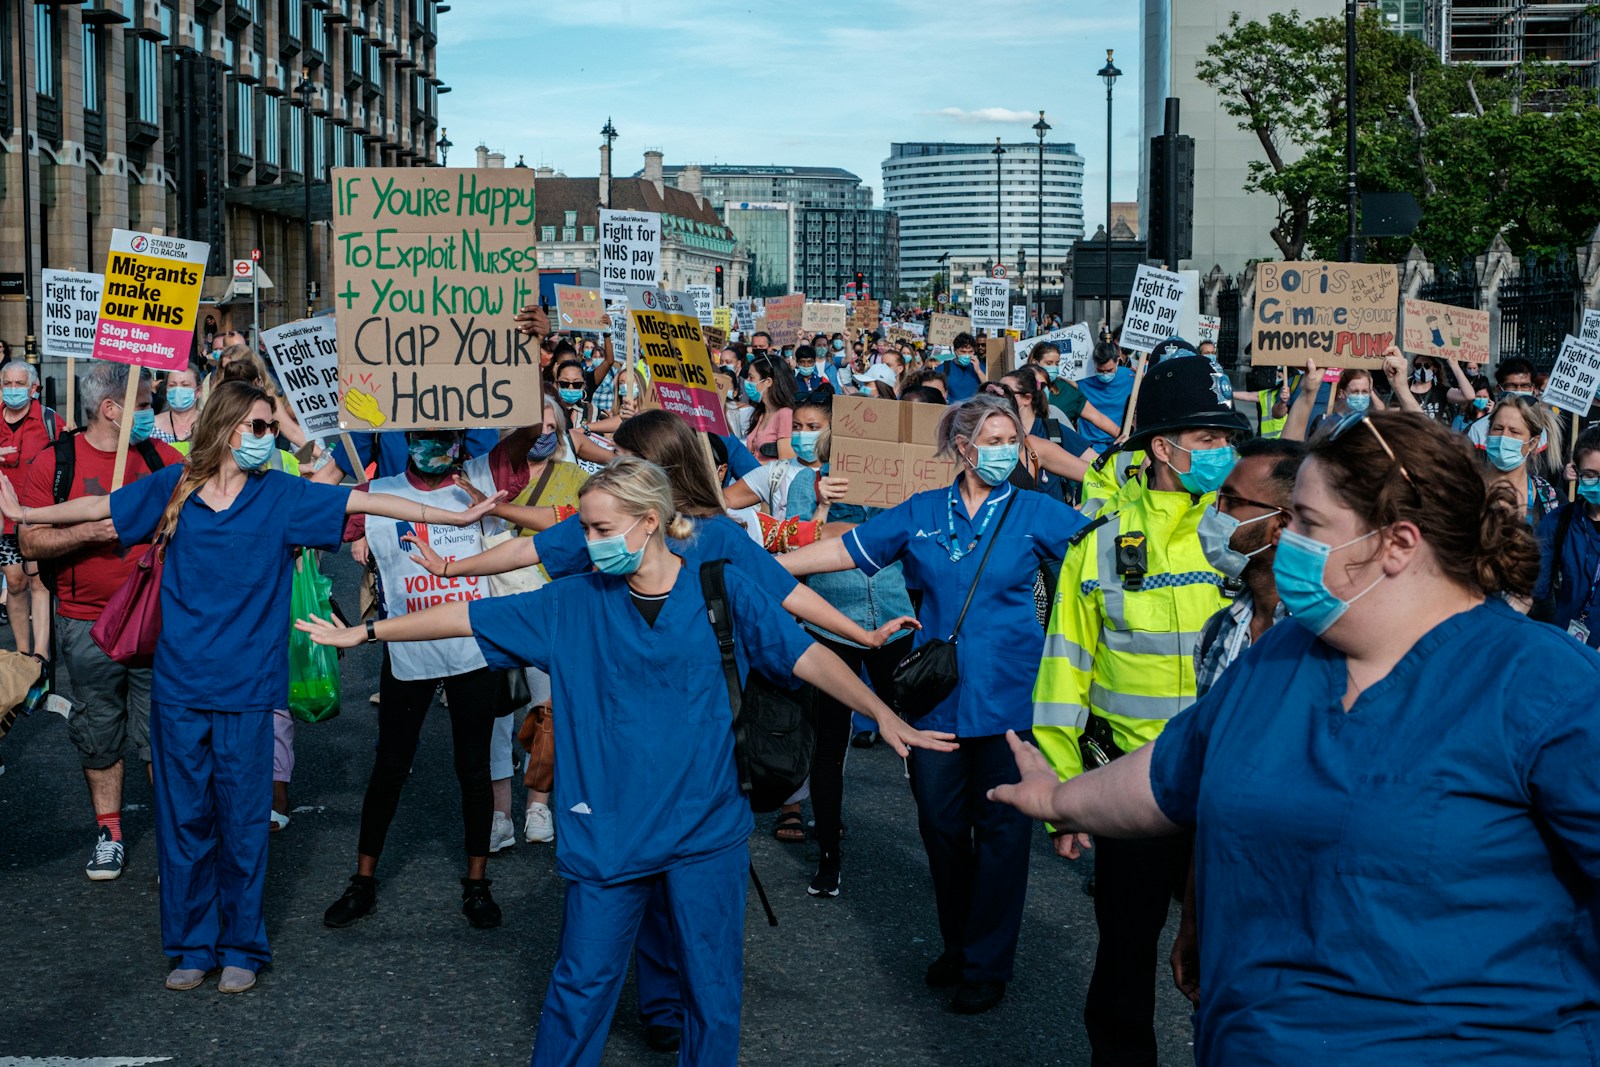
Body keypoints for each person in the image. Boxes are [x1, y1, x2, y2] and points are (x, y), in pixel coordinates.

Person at [297, 456, 954, 1067]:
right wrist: (369, 629)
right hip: (608, 833)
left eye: (600, 526)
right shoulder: (572, 602)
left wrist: (883, 711)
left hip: (706, 831)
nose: (588, 540)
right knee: (580, 989)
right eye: (585, 526)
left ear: (648, 521)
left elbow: (806, 656)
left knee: (713, 994)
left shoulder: (722, 589)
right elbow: (468, 616)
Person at [991, 410, 1600, 1065]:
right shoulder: (1280, 656)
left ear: (1397, 542)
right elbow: (1170, 773)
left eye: (1308, 524)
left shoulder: (1543, 684)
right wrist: (1059, 798)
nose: (1287, 540)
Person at [0, 381, 506, 994]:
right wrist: (26, 514)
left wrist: (451, 513)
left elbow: (366, 505)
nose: (269, 439)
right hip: (180, 689)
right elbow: (101, 510)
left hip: (247, 690)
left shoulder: (282, 495)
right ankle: (190, 945)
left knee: (243, 824)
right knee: (183, 821)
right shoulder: (176, 486)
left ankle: (241, 945)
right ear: (227, 426)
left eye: (272, 428)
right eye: (262, 427)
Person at [779, 394, 1092, 1015]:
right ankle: (959, 942)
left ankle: (987, 962)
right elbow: (846, 551)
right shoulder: (921, 512)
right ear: (964, 447)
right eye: (995, 438)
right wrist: (765, 565)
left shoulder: (1035, 511)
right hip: (935, 704)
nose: (1008, 449)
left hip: (1011, 704)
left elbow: (1103, 548)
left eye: (1014, 438)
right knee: (942, 829)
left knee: (1002, 835)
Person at [1030, 355, 1250, 1064]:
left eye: (1227, 441)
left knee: (1238, 961)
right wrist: (1067, 798)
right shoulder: (1097, 547)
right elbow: (1065, 671)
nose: (1222, 454)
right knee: (1124, 961)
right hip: (1136, 788)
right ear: (1163, 446)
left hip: (1235, 789)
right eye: (1207, 438)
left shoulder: (1248, 539)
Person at [322, 420, 539, 931]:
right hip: (408, 653)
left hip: (472, 650)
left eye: (446, 439)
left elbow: (528, 433)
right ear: (407, 440)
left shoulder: (481, 481)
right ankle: (363, 880)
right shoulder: (375, 492)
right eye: (423, 437)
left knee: (474, 768)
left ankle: (477, 883)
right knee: (390, 767)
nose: (434, 448)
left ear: (461, 443)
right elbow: (316, 523)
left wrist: (530, 355)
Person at [17, 363, 182, 881]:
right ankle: (109, 832)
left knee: (164, 731)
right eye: (144, 403)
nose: (151, 413)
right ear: (111, 408)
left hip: (157, 621)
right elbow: (30, 541)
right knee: (97, 729)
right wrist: (89, 533)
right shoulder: (55, 463)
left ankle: (174, 840)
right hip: (85, 624)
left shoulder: (162, 458)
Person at [1169, 434, 1303, 1005]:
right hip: (1225, 889)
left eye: (1229, 501)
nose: (1214, 513)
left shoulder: (1324, 640)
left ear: (1281, 523)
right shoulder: (1221, 631)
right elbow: (1211, 789)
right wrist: (1194, 916)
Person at [0, 360, 64, 659]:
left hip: (38, 517)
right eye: (7, 384)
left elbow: (69, 458)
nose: (13, 390)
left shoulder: (50, 420)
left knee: (39, 582)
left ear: (34, 388)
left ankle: (41, 655)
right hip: (3, 521)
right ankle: (22, 653)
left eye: (18, 384)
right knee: (14, 583)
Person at [1533, 424, 1600, 650]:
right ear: (1576, 473)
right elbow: (1534, 592)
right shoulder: (1558, 523)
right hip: (1567, 648)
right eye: (1590, 476)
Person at [1481, 394, 1562, 526]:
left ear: (1533, 443)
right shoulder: (1467, 489)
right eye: (1498, 428)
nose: (1504, 437)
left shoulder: (1550, 499)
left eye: (1514, 431)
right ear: (1488, 432)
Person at [1075, 343, 1134, 453]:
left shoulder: (1130, 377)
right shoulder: (1081, 380)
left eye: (1109, 370)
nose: (1105, 374)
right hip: (1090, 445)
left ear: (1118, 361)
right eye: (1100, 371)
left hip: (1120, 442)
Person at [743, 354, 797, 462]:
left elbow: (785, 462)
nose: (747, 381)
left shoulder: (785, 414)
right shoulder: (761, 414)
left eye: (751, 377)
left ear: (768, 382)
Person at [151, 360, 204, 449]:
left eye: (185, 385)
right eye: (172, 385)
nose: (178, 390)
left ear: (198, 391)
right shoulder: (152, 427)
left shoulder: (210, 424)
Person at [944, 333, 984, 401]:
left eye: (970, 352)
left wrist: (978, 371)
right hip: (952, 409)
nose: (967, 355)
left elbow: (989, 387)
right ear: (955, 350)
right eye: (963, 352)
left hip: (972, 409)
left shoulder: (979, 366)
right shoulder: (944, 368)